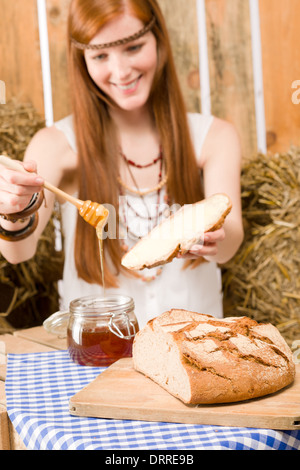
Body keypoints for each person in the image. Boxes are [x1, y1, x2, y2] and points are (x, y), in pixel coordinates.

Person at [0, 0, 243, 328]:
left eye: (133, 47)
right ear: (82, 60)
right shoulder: (54, 145)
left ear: (158, 38)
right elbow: (18, 253)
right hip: (99, 353)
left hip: (195, 346)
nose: (121, 71)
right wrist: (13, 207)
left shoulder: (214, 137)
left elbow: (231, 245)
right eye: (100, 55)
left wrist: (214, 236)